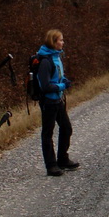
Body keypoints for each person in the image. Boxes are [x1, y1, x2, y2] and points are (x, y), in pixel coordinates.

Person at [37, 29, 79, 176]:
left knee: (66, 128)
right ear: (53, 42)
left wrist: (63, 81)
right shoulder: (45, 61)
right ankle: (51, 165)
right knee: (47, 133)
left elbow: (57, 76)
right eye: (60, 40)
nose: (63, 42)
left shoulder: (56, 57)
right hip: (48, 101)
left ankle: (62, 159)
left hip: (58, 99)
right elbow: (45, 86)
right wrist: (62, 86)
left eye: (62, 40)